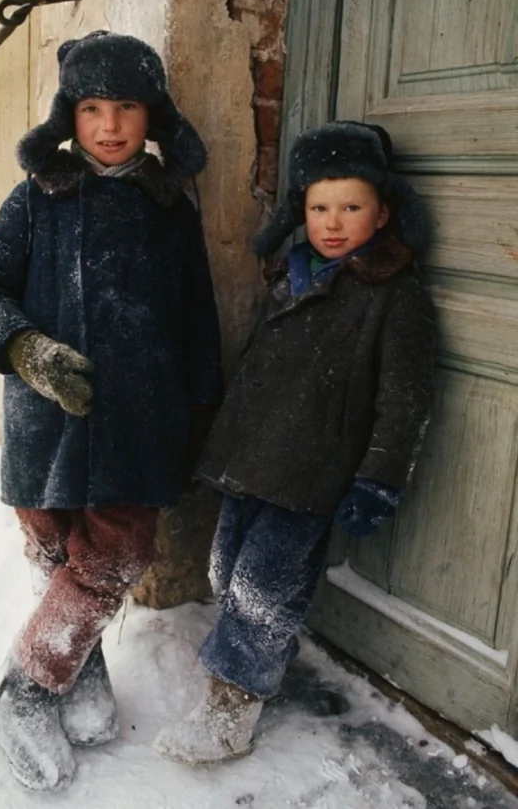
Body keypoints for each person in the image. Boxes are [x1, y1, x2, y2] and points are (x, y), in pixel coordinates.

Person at [0, 30, 222, 791]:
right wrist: (27, 351)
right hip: (47, 425)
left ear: (153, 115)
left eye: (128, 107)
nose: (109, 125)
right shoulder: (37, 199)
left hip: (141, 425)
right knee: (55, 550)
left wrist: (202, 411)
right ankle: (79, 667)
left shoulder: (171, 207)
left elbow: (197, 318)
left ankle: (26, 688)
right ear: (68, 116)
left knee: (114, 555)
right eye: (92, 107)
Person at [154, 121, 436, 765]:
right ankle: (261, 662)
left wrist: (379, 478)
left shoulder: (396, 297)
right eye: (318, 206)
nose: (332, 222)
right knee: (225, 569)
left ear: (384, 211)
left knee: (262, 587)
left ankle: (230, 712)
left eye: (351, 206)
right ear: (299, 210)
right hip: (250, 460)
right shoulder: (289, 275)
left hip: (313, 470)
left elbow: (405, 400)